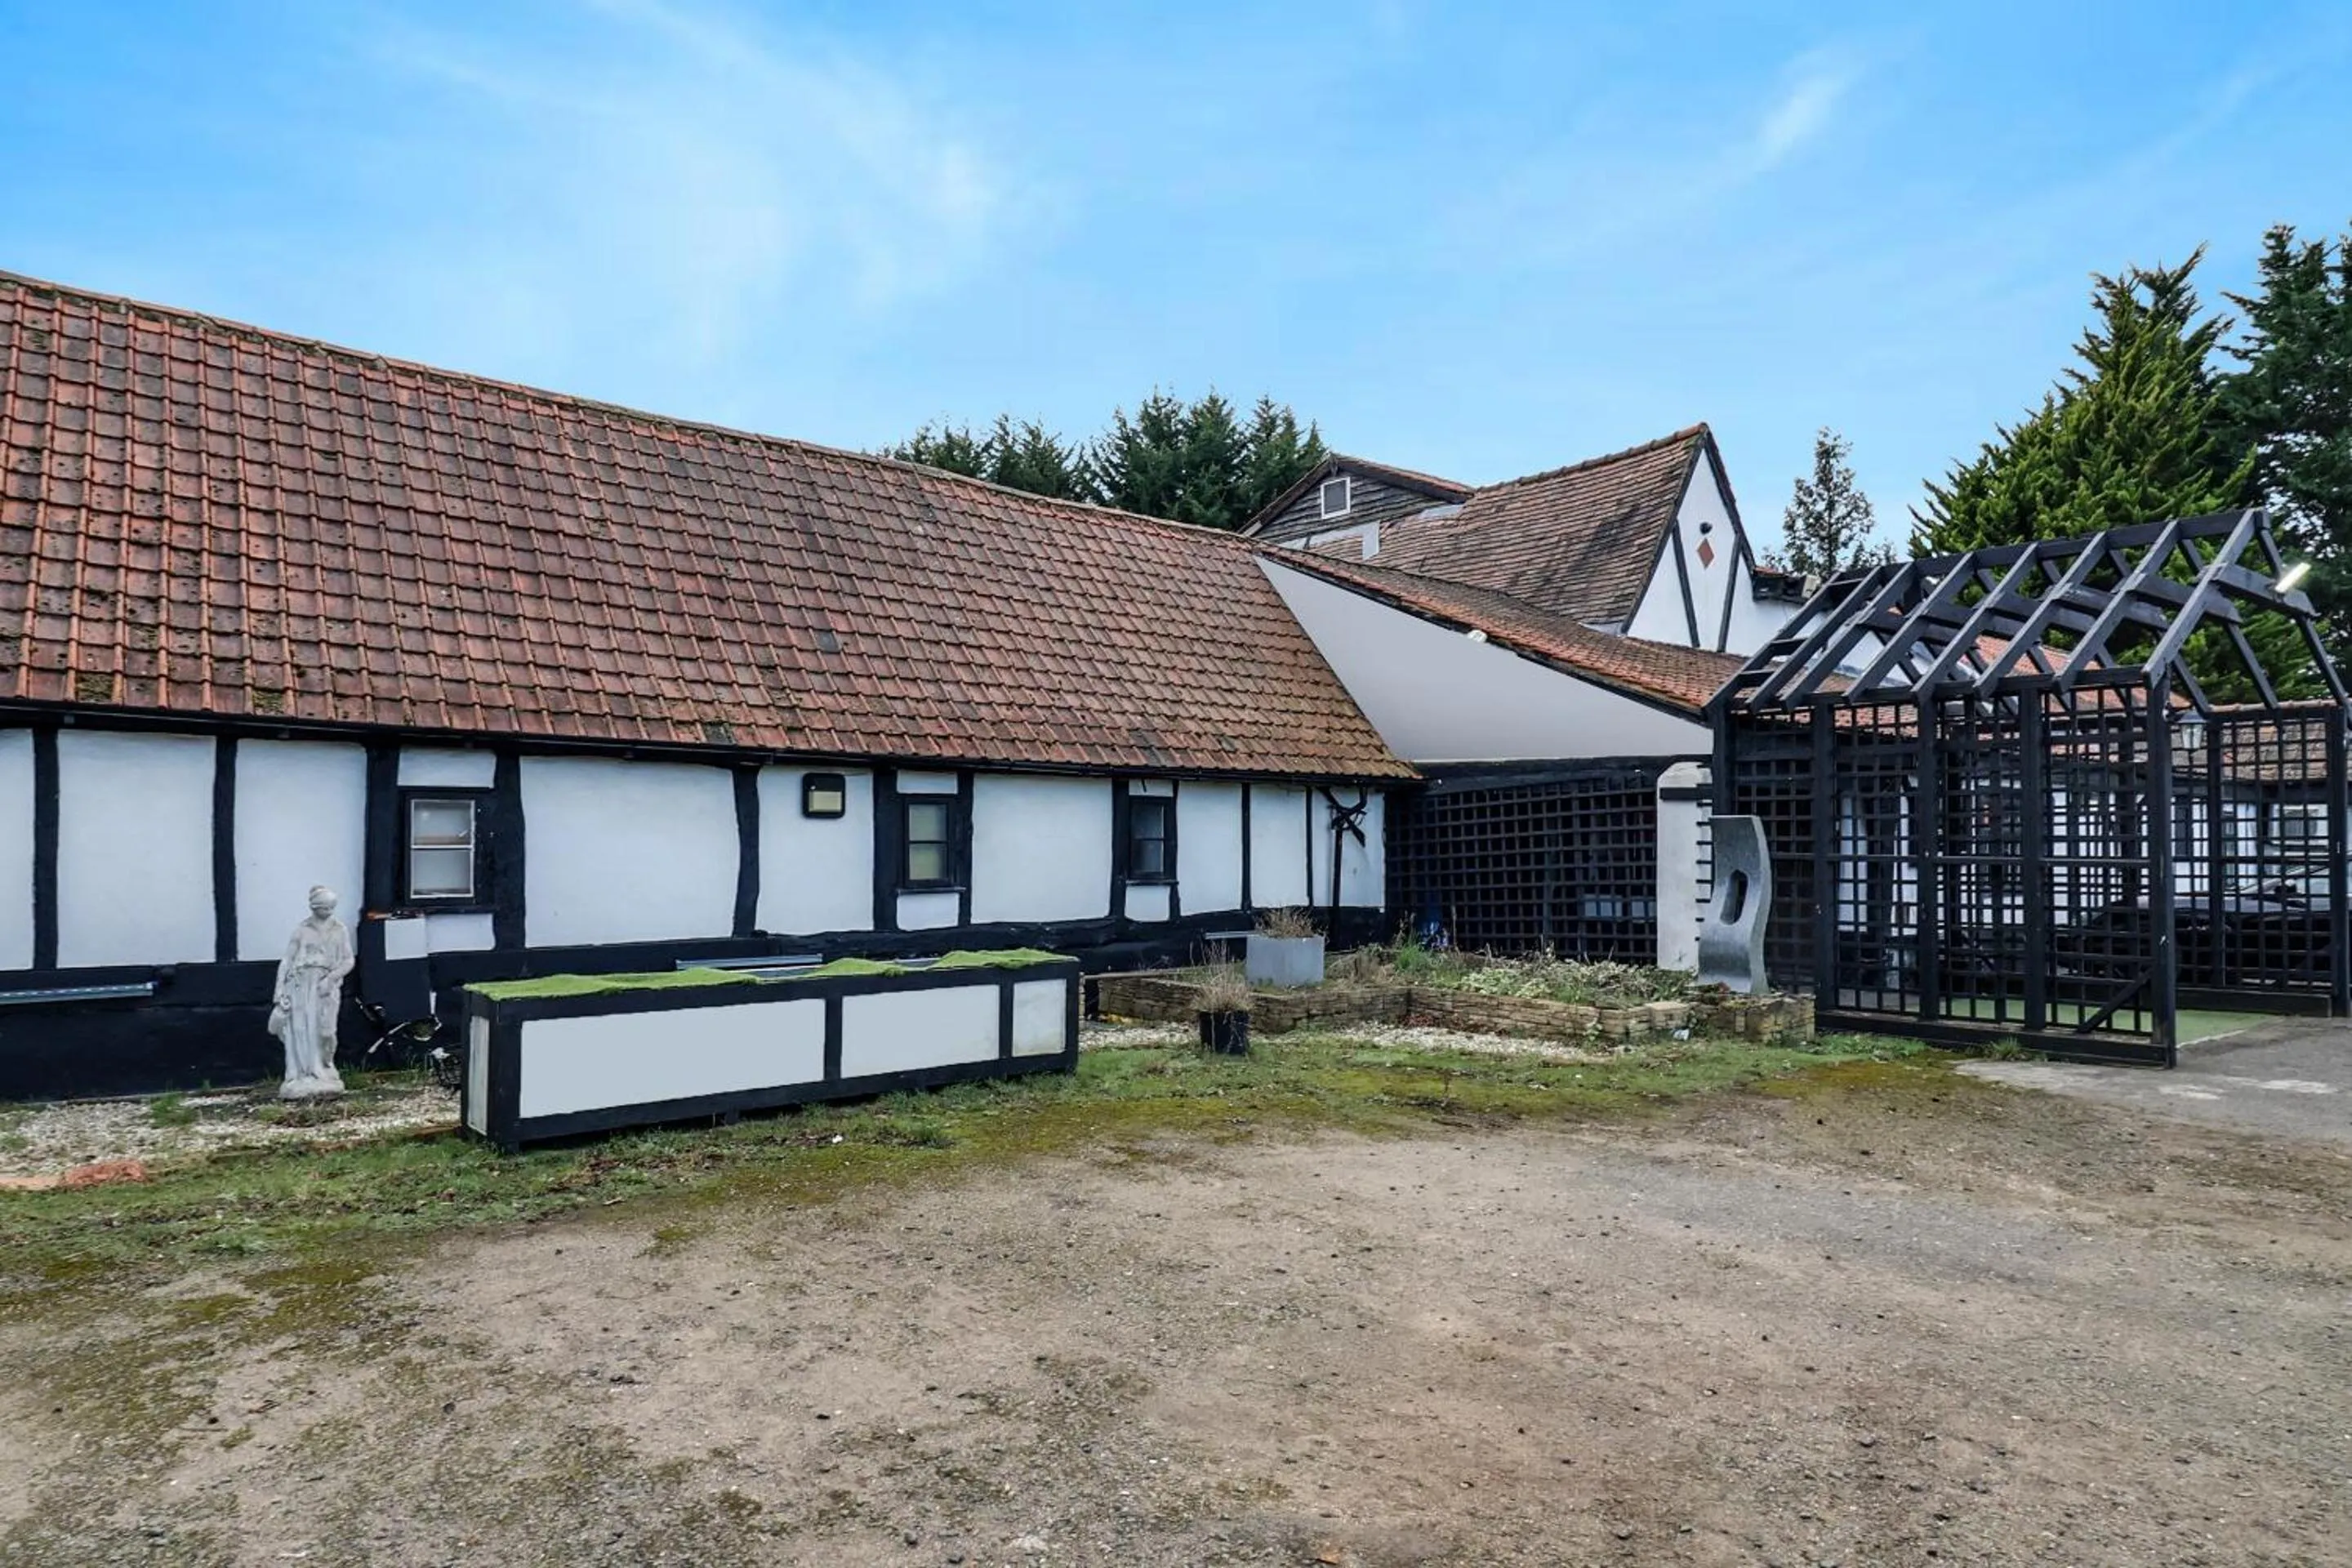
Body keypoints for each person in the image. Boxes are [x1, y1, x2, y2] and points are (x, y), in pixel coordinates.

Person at [270, 885, 355, 1099]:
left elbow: (348, 960)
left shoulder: (339, 929)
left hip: (326, 985)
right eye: (325, 908)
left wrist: (331, 979)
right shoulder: (302, 929)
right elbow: (287, 960)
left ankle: (326, 1066)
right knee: (300, 1030)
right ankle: (302, 1074)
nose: (329, 911)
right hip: (300, 984)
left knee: (327, 1032)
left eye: (332, 907)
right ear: (314, 907)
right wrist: (279, 990)